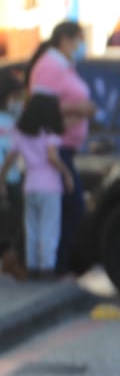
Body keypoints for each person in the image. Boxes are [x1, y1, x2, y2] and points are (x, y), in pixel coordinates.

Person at [27, 21, 95, 275]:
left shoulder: (66, 66)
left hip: (66, 146)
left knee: (66, 209)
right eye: (79, 40)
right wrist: (78, 110)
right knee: (69, 207)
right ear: (66, 39)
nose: (81, 45)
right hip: (55, 148)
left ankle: (55, 265)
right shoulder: (49, 66)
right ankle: (54, 266)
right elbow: (40, 106)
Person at [0, 94, 74, 280]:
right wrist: (66, 173)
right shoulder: (50, 133)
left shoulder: (20, 133)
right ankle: (47, 268)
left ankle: (32, 267)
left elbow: (10, 158)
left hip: (30, 185)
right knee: (49, 228)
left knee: (31, 228)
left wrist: (1, 178)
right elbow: (52, 156)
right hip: (50, 186)